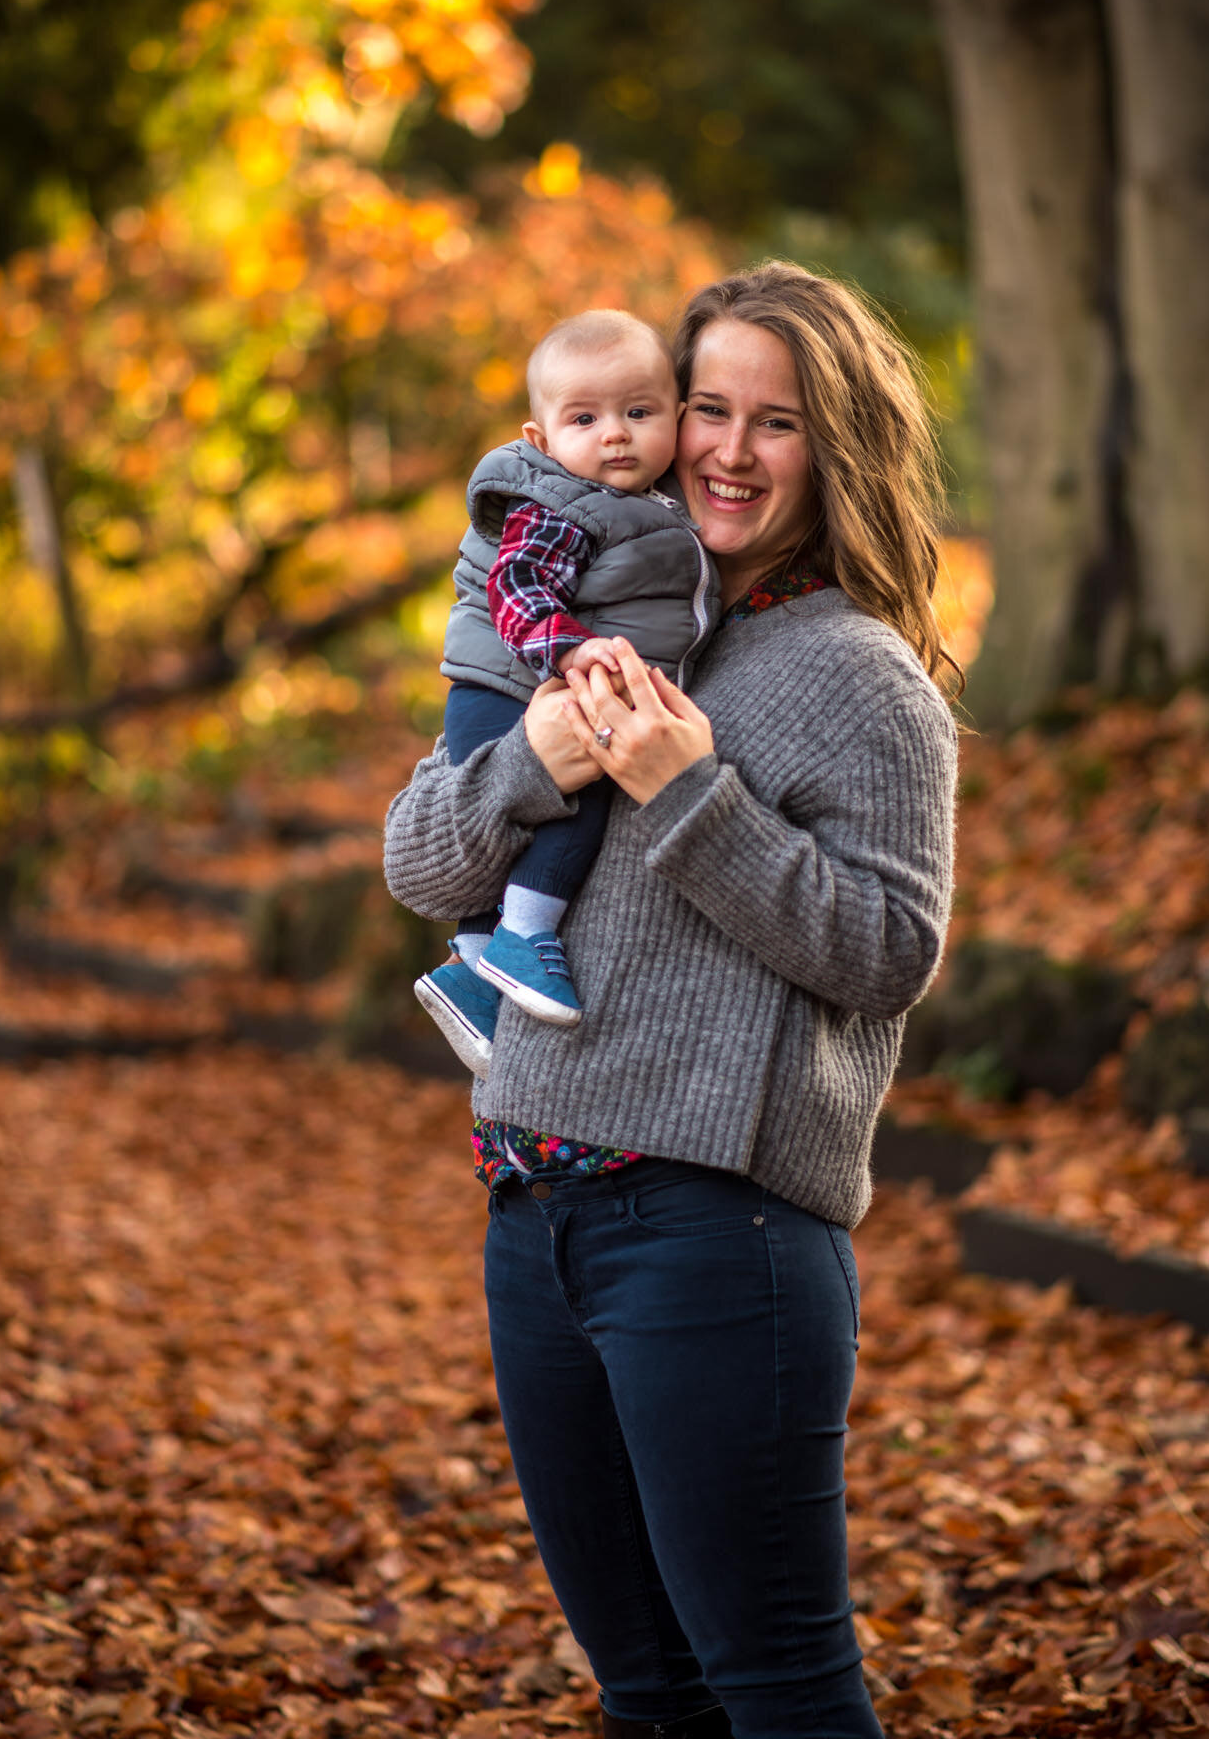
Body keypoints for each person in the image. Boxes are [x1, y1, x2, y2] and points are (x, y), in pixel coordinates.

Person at [383, 261, 960, 1739]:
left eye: (775, 424)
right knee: (648, 1696)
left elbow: (888, 949)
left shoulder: (859, 675)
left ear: (835, 451)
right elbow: (417, 861)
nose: (723, 447)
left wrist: (684, 791)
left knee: (771, 1694)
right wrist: (542, 764)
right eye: (706, 406)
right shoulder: (594, 611)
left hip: (717, 1234)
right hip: (533, 1213)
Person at [416, 308, 716, 1078]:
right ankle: (523, 934)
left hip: (517, 685)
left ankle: (472, 972)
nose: (614, 433)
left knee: (568, 788)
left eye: (638, 412)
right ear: (541, 441)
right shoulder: (561, 505)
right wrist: (571, 650)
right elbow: (517, 588)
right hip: (508, 684)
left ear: (676, 420)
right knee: (581, 795)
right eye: (585, 418)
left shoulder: (647, 508)